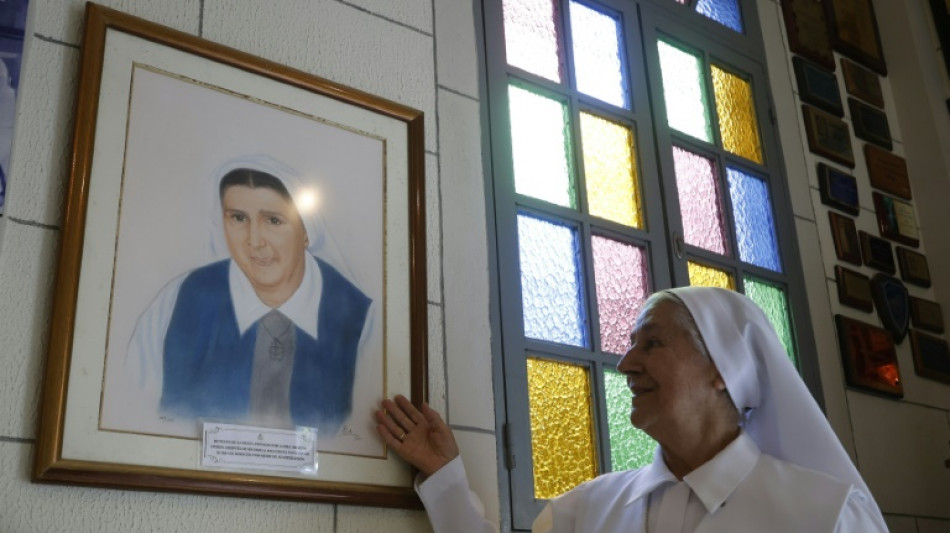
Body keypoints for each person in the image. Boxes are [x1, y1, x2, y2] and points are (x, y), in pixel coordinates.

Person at [376, 287, 888, 532]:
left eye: (652, 343)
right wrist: (446, 478)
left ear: (721, 369)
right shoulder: (585, 510)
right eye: (629, 345)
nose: (624, 364)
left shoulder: (828, 516)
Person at [123, 156, 372, 436]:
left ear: (306, 232)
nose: (254, 240)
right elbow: (133, 410)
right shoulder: (179, 300)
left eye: (273, 221)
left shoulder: (360, 317)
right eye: (238, 218)